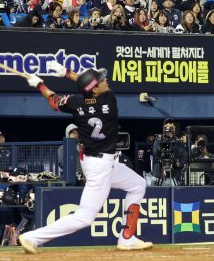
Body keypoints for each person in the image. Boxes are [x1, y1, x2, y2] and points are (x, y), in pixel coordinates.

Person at [17, 65, 152, 254]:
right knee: (85, 217)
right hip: (100, 166)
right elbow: (87, 85)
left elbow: (54, 101)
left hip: (97, 162)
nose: (107, 81)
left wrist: (39, 84)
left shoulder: (76, 103)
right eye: (102, 80)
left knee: (138, 184)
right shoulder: (109, 100)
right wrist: (67, 74)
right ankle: (32, 237)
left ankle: (127, 238)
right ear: (96, 89)